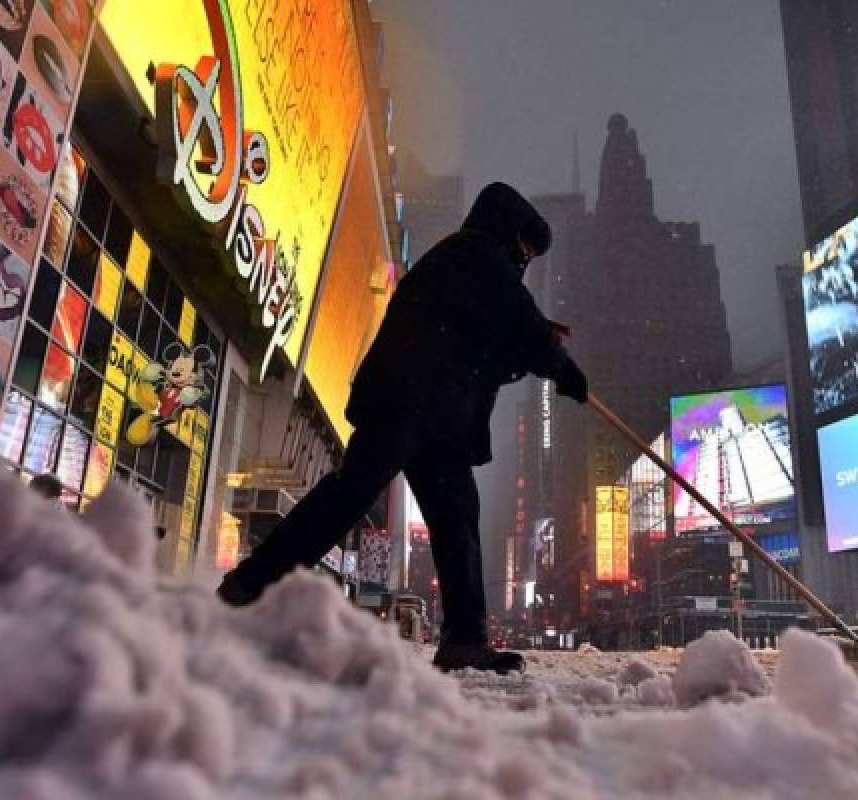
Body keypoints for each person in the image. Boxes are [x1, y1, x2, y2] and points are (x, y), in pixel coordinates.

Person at [217, 183, 588, 674]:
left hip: (436, 417)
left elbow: (492, 345)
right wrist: (560, 365)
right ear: (508, 230)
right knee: (349, 496)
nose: (525, 258)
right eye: (526, 247)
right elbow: (512, 316)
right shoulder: (474, 254)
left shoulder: (473, 267)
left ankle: (464, 640)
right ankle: (251, 586)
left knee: (455, 518)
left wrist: (538, 346)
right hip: (406, 403)